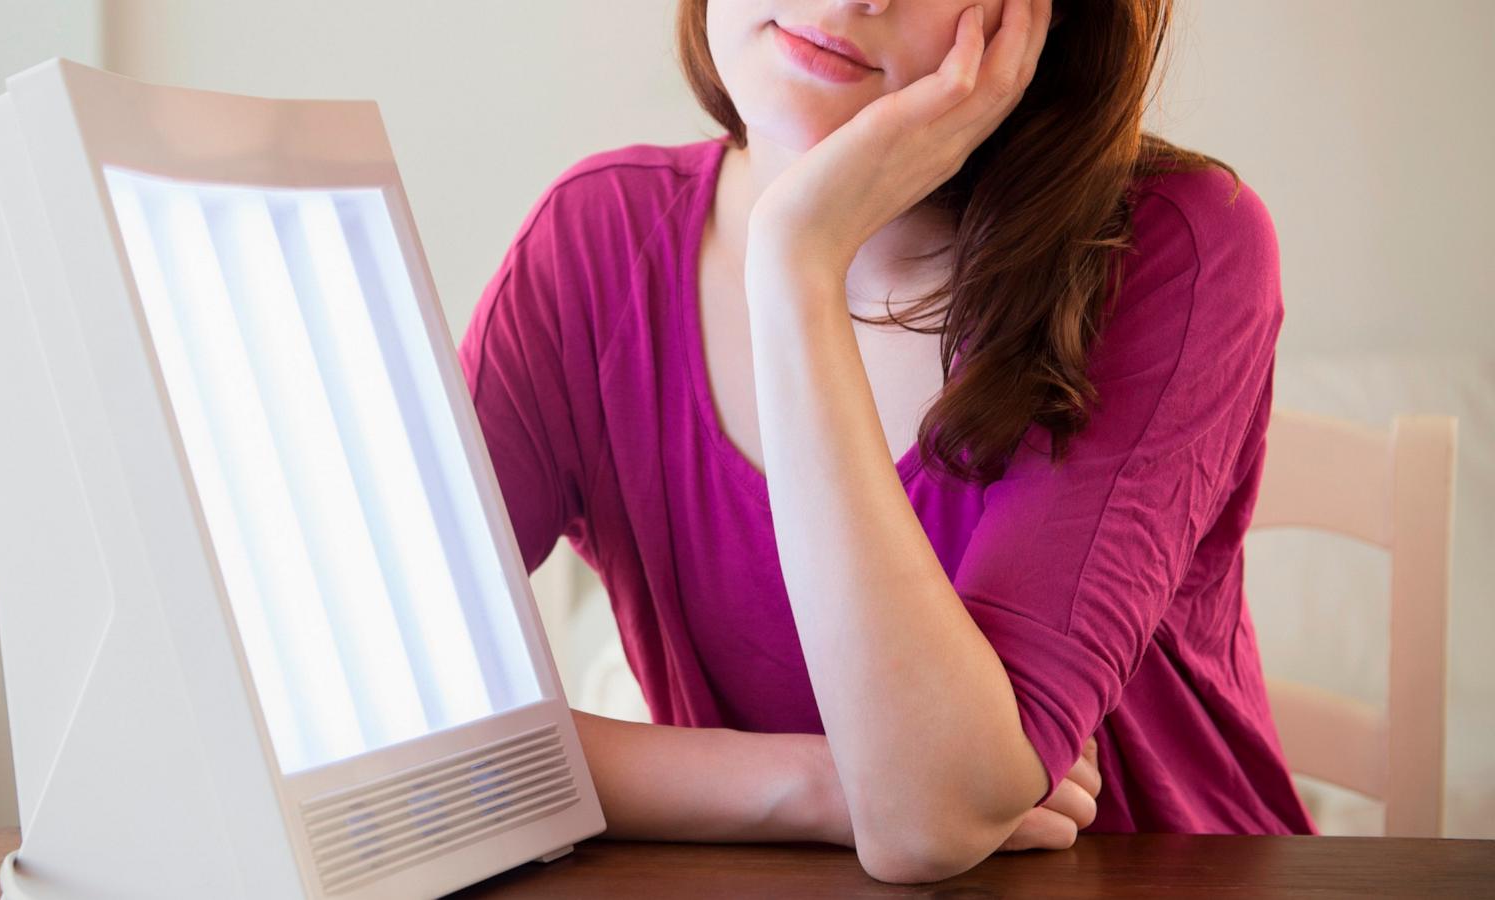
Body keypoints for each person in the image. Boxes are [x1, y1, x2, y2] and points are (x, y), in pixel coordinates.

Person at [456, 0, 1314, 883]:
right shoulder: (592, 245)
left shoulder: (1174, 243)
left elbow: (928, 819)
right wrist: (821, 786)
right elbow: (388, 735)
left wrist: (797, 259)